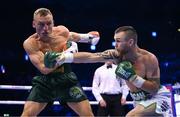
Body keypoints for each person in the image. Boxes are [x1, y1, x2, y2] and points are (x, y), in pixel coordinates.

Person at [46, 26, 172, 116]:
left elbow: (154, 88)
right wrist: (63, 58)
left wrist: (133, 77)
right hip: (139, 101)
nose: (115, 44)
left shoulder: (148, 59)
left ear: (130, 42)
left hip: (157, 98)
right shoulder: (116, 55)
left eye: (118, 41)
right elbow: (91, 57)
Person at [21, 8, 100, 116]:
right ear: (34, 24)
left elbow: (72, 36)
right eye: (41, 24)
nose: (46, 28)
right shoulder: (30, 43)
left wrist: (88, 37)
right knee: (27, 115)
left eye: (49, 24)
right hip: (44, 82)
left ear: (53, 23)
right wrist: (68, 53)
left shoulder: (61, 31)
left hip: (66, 79)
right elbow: (44, 69)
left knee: (88, 115)